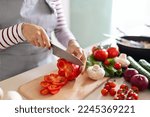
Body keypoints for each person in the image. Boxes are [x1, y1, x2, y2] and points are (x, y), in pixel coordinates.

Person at [0, 0, 86, 81]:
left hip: (45, 70)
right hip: (8, 77)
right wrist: (20, 30)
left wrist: (72, 42)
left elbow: (60, 28)